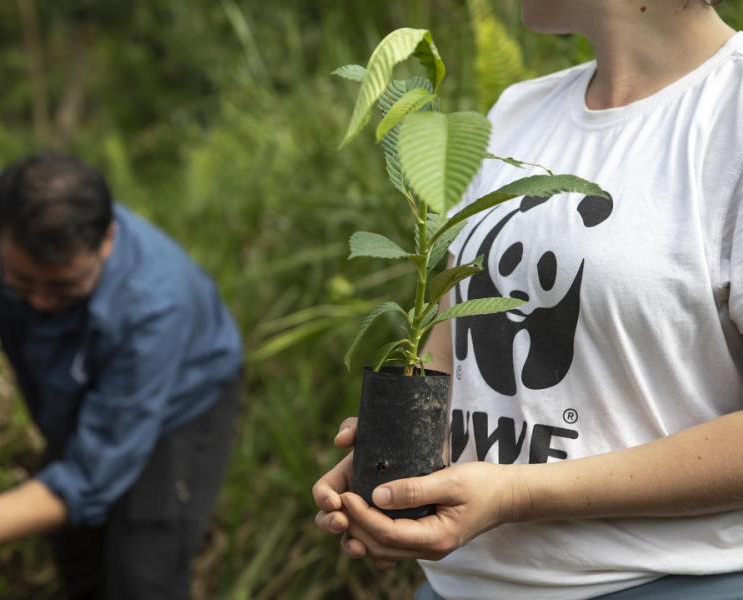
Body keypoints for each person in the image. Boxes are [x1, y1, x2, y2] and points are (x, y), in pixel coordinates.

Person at [314, 2, 743, 599]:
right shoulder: (519, 110)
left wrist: (518, 494)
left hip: (659, 581)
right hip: (457, 582)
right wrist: (396, 462)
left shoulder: (730, 111)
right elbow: (451, 328)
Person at [0, 153, 243, 599]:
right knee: (77, 555)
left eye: (64, 287)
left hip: (182, 402)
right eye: (21, 284)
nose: (41, 303)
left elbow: (91, 474)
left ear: (107, 240)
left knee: (142, 575)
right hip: (79, 395)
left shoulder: (153, 304)